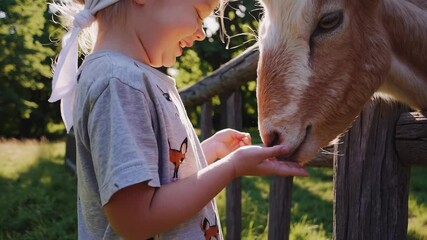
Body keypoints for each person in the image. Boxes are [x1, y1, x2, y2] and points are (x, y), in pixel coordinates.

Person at [48, 0, 309, 239]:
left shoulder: (128, 78)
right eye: (197, 14)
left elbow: (158, 182)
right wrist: (231, 167)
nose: (202, 32)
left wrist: (209, 152)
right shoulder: (119, 83)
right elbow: (136, 220)